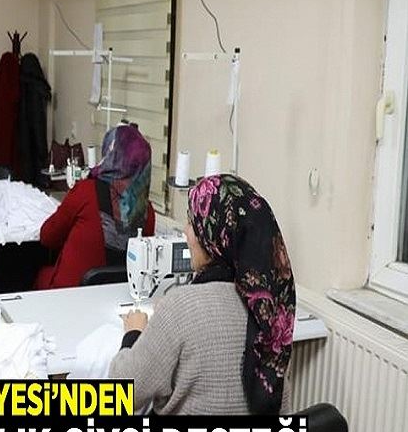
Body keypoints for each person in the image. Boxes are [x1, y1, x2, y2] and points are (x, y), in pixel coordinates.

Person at [110, 174, 296, 415]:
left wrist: (133, 333)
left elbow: (122, 395)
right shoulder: (273, 311)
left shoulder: (181, 307)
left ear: (212, 237)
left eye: (192, 224)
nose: (186, 233)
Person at [35, 123, 154, 289]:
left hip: (69, 294)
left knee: (40, 274)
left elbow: (48, 236)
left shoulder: (85, 192)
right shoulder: (147, 211)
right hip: (118, 295)